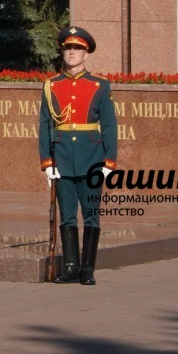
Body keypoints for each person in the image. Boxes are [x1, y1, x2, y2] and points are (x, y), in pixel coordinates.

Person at [37, 26, 117, 285]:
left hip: (92, 159)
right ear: (62, 52)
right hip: (62, 160)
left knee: (91, 214)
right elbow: (45, 125)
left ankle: (87, 270)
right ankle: (71, 267)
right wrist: (47, 162)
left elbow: (109, 125)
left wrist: (109, 161)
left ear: (86, 54)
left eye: (78, 49)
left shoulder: (100, 86)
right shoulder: (51, 86)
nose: (72, 52)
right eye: (68, 48)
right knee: (68, 214)